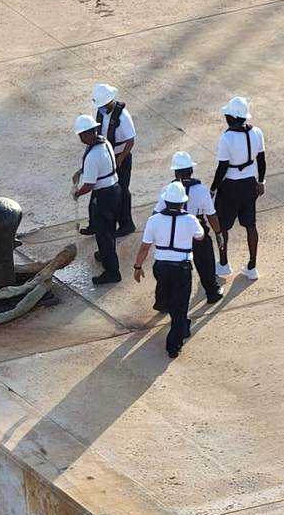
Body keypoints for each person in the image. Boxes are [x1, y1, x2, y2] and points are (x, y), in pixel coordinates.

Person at [133, 181, 205, 358]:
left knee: (166, 291)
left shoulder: (154, 220)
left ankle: (166, 307)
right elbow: (200, 236)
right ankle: (174, 344)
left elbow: (144, 247)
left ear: (165, 202)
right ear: (183, 203)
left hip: (161, 267)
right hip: (182, 268)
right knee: (180, 307)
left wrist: (138, 266)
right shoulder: (190, 220)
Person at [154, 151, 224, 304]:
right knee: (205, 262)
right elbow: (211, 215)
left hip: (174, 232)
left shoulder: (168, 190)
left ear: (175, 172)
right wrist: (218, 233)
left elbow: (156, 213)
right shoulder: (202, 190)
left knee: (168, 265)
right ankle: (212, 292)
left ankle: (162, 302)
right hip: (196, 231)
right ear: (191, 170)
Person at [210, 96, 266, 280]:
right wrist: (261, 181)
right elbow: (261, 160)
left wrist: (213, 188)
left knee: (222, 226)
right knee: (251, 225)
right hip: (250, 184)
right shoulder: (256, 132)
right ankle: (252, 265)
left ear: (232, 118)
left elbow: (222, 167)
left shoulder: (227, 138)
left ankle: (224, 263)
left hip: (230, 187)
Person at [71, 115, 121, 285]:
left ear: (85, 135)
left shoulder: (92, 155)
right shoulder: (104, 143)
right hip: (114, 190)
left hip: (104, 195)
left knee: (103, 233)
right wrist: (81, 171)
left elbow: (90, 185)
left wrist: (77, 193)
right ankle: (106, 254)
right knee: (109, 228)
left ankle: (112, 271)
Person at [90, 83, 137, 237]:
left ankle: (126, 224)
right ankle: (94, 224)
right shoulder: (100, 112)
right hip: (106, 154)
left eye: (104, 105)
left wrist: (121, 158)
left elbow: (130, 140)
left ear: (110, 101)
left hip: (119, 156)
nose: (101, 108)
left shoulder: (123, 116)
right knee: (98, 188)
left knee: (122, 190)